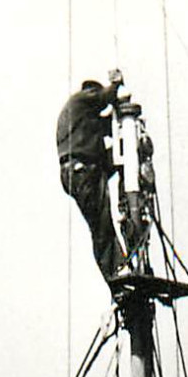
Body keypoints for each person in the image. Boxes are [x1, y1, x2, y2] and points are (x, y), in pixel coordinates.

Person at [56, 73, 128, 284]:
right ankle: (117, 275)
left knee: (100, 227)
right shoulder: (82, 99)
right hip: (83, 170)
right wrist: (116, 84)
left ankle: (116, 273)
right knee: (102, 228)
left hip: (78, 172)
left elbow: (104, 128)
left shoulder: (81, 121)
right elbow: (104, 96)